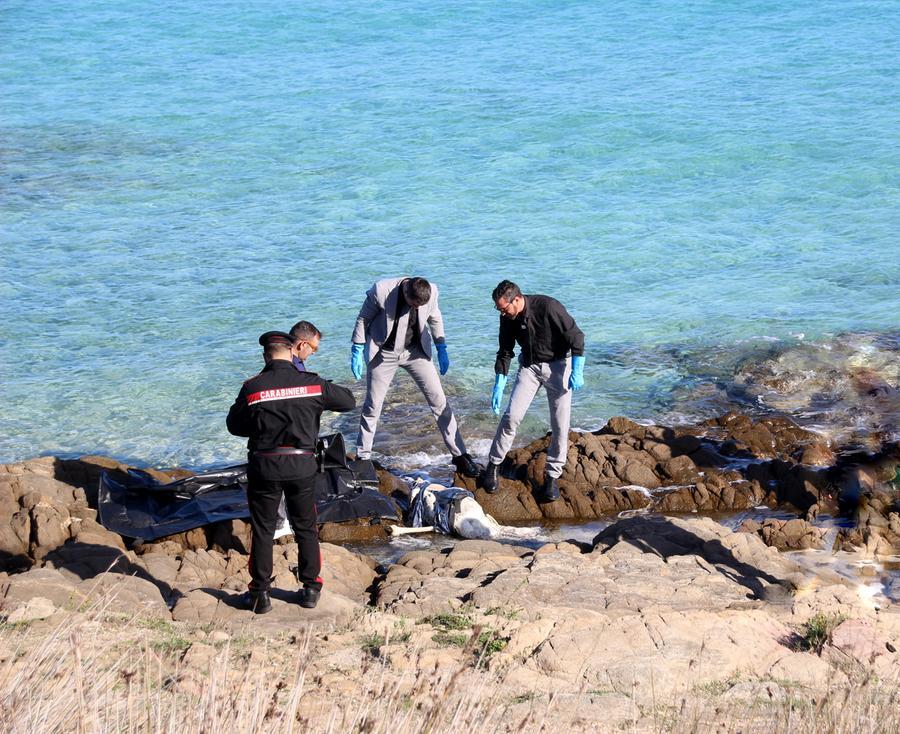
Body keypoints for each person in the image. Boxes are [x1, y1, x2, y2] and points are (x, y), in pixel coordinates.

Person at [226, 328, 355, 614]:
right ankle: (310, 589)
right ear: (293, 351)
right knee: (306, 526)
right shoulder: (312, 384)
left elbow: (235, 426)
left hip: (265, 466)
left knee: (262, 529)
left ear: (265, 355)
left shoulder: (253, 387)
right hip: (302, 466)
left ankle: (260, 594)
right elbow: (348, 401)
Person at [350, 276, 479, 477]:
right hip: (384, 353)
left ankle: (460, 455)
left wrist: (441, 346)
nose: (416, 308)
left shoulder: (433, 291)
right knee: (372, 406)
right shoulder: (381, 291)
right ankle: (363, 457)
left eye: (421, 306)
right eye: (414, 305)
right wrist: (357, 347)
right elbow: (363, 318)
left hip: (415, 352)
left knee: (439, 401)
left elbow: (435, 317)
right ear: (406, 293)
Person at [482, 280, 585, 502]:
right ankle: (493, 464)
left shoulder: (548, 306)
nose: (501, 312)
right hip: (529, 367)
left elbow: (576, 336)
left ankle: (552, 476)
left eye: (503, 307)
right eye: (498, 308)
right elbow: (505, 350)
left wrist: (578, 370)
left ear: (516, 299)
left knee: (559, 424)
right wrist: (499, 381)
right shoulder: (507, 317)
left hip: (559, 366)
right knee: (511, 417)